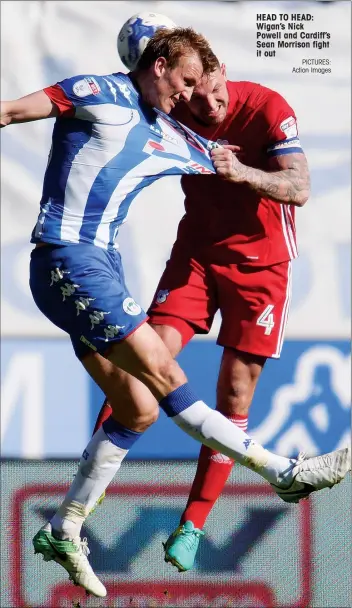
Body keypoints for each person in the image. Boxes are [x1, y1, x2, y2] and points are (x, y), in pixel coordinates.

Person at [1, 32, 350, 598]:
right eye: (185, 84)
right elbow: (14, 111)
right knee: (168, 376)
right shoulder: (97, 93)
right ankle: (284, 474)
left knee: (137, 408)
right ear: (158, 66)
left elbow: (286, 181)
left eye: (201, 85)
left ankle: (65, 527)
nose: (193, 98)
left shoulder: (175, 134)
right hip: (71, 263)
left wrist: (242, 173)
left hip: (110, 270)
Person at [90, 58, 352, 575]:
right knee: (143, 363)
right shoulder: (170, 106)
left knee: (234, 394)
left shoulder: (266, 108)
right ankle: (85, 495)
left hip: (262, 268)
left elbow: (298, 187)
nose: (209, 106)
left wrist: (241, 172)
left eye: (216, 93)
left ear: (223, 73)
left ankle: (192, 525)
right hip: (196, 257)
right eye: (197, 96)